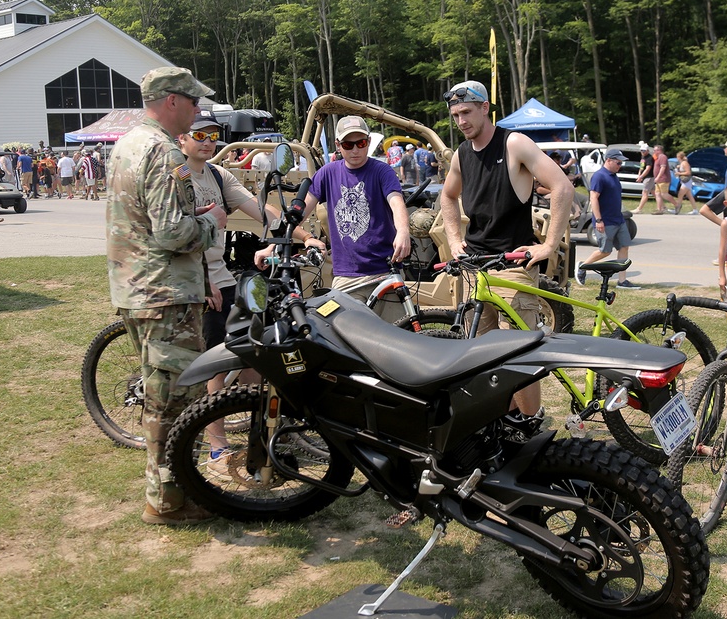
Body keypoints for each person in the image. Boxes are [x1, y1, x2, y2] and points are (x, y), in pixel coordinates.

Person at [106, 66, 226, 526]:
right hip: (165, 293)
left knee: (163, 396)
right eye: (194, 101)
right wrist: (213, 220)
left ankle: (167, 494)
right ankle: (170, 501)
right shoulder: (160, 150)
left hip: (138, 287)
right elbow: (174, 232)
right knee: (176, 401)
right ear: (171, 100)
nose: (199, 110)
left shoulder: (129, 144)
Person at [178, 112, 325, 468]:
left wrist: (305, 237)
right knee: (216, 360)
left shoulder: (217, 174)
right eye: (199, 135)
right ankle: (217, 447)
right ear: (182, 139)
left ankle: (260, 437)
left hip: (221, 276)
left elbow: (263, 211)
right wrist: (203, 280)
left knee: (254, 352)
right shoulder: (178, 177)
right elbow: (176, 234)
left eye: (213, 134)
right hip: (193, 277)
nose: (208, 141)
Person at [440, 80, 573, 427]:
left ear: (485, 108)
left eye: (467, 112)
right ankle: (502, 420)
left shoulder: (514, 143)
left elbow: (562, 187)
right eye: (455, 115)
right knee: (480, 356)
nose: (462, 121)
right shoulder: (461, 154)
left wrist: (548, 245)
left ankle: (531, 423)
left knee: (516, 354)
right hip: (476, 267)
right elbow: (447, 196)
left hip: (513, 266)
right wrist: (454, 239)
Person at [256, 115, 410, 315]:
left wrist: (403, 231)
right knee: (343, 338)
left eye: (361, 143)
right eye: (348, 144)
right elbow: (299, 214)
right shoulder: (327, 173)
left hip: (385, 270)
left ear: (369, 142)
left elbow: (396, 202)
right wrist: (272, 246)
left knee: (395, 338)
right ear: (338, 145)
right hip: (346, 275)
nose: (355, 150)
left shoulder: (382, 171)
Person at [574, 147, 640, 289]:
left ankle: (622, 281)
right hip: (605, 221)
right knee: (605, 251)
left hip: (618, 220)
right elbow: (594, 198)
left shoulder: (613, 176)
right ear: (609, 160)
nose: (620, 166)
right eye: (618, 163)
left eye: (621, 163)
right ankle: (582, 267)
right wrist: (598, 220)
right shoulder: (599, 176)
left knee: (624, 247)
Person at [651, 144, 679, 214]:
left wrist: (658, 177)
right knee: (657, 194)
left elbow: (663, 168)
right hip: (658, 180)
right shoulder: (657, 157)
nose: (654, 151)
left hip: (663, 179)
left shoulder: (662, 157)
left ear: (659, 150)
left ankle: (677, 205)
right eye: (654, 150)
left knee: (664, 194)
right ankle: (659, 209)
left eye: (655, 150)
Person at [633, 142, 655, 213]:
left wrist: (641, 176)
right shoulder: (643, 157)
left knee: (645, 193)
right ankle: (663, 207)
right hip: (645, 177)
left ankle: (639, 209)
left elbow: (648, 169)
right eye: (641, 150)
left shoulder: (649, 158)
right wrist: (639, 175)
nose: (642, 152)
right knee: (655, 193)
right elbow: (642, 167)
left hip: (649, 177)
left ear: (647, 151)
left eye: (644, 150)